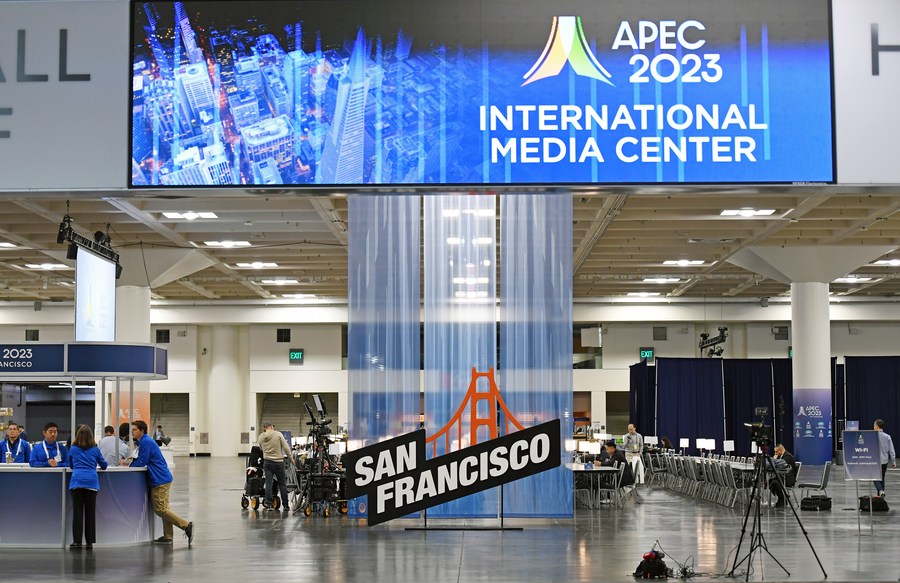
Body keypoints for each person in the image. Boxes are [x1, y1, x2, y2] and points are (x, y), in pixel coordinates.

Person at [127, 420, 193, 546]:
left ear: (142, 430)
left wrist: (129, 465)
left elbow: (142, 461)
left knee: (160, 509)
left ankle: (185, 525)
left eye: (134, 429)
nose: (132, 432)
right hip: (162, 477)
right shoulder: (145, 441)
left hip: (160, 479)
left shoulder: (146, 442)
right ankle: (168, 536)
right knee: (164, 508)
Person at [68, 425, 108, 550]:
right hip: (92, 483)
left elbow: (71, 465)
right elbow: (104, 465)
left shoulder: (73, 449)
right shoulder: (95, 450)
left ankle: (77, 542)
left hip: (77, 482)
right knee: (90, 513)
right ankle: (89, 542)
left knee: (77, 513)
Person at [257, 421, 293, 511]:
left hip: (267, 462)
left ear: (264, 428)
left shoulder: (260, 437)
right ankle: (286, 505)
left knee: (269, 483)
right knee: (282, 484)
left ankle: (270, 505)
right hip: (278, 462)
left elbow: (261, 448)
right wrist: (291, 458)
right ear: (271, 427)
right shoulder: (278, 434)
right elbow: (286, 447)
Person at [767, 444, 797, 508]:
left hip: (789, 479)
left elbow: (780, 466)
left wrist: (773, 459)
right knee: (770, 482)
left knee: (774, 482)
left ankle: (782, 499)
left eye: (776, 451)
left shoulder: (787, 457)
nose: (775, 453)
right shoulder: (781, 456)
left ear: (781, 450)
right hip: (783, 476)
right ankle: (781, 498)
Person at [873, 419, 897, 497]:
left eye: (874, 425)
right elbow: (891, 450)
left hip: (875, 461)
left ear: (877, 426)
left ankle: (881, 491)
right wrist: (893, 461)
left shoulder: (873, 436)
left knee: (875, 478)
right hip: (884, 461)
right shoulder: (887, 437)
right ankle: (881, 497)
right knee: (882, 478)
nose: (873, 427)